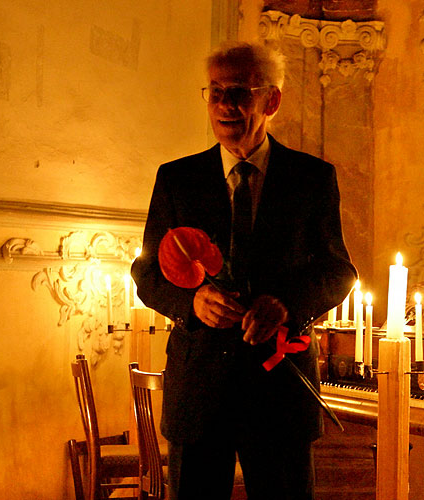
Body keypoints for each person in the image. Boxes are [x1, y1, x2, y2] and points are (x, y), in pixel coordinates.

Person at [131, 41, 357, 500]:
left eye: (239, 92)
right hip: (199, 391)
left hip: (279, 391)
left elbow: (338, 270)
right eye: (215, 92)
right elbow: (147, 273)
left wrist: (286, 304)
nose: (225, 105)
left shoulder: (311, 178)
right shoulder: (177, 179)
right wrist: (191, 302)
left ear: (271, 100)